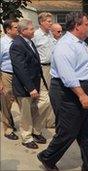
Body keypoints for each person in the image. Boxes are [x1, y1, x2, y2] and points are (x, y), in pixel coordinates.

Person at [37, 12, 88, 171]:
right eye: (86, 24)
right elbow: (67, 74)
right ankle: (47, 157)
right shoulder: (65, 45)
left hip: (86, 87)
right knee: (69, 130)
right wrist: (81, 95)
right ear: (77, 26)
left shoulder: (81, 43)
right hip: (70, 91)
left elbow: (87, 68)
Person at [10, 19, 47, 149]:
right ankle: (26, 137)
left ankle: (36, 132)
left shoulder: (29, 41)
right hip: (24, 87)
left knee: (43, 105)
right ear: (23, 31)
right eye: (31, 29)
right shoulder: (17, 45)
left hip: (35, 83)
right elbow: (20, 69)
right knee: (25, 113)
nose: (34, 31)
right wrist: (30, 88)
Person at [0, 19, 19, 140]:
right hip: (6, 74)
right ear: (8, 30)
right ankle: (7, 129)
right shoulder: (2, 43)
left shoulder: (18, 41)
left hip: (19, 75)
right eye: (16, 27)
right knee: (6, 102)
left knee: (21, 101)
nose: (18, 29)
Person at [32, 12, 54, 87]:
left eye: (51, 21)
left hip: (52, 67)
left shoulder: (50, 34)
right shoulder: (35, 35)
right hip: (42, 68)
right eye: (49, 21)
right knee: (44, 92)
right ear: (41, 22)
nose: (51, 23)